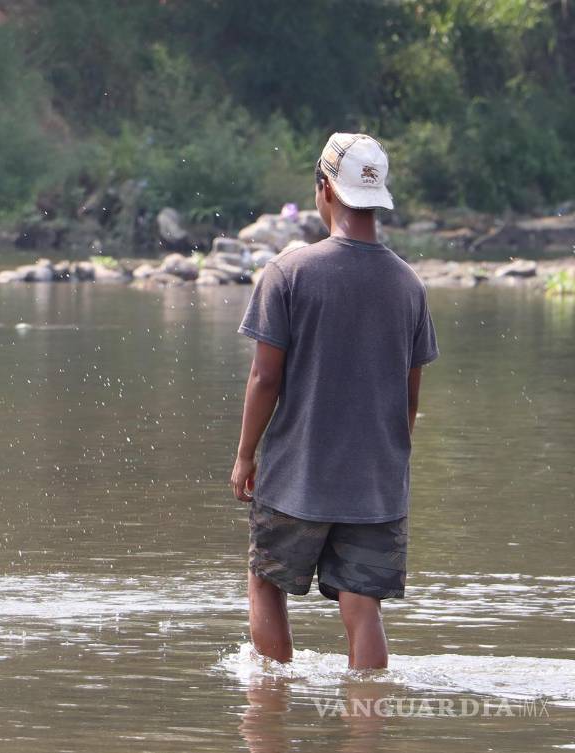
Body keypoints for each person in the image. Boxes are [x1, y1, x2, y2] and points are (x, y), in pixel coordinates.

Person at [230, 133, 438, 670]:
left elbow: (264, 378)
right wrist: (387, 462)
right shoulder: (409, 286)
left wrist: (245, 455)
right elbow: (409, 396)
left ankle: (270, 718)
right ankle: (366, 728)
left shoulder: (289, 273)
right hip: (375, 483)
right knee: (362, 606)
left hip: (296, 475)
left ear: (324, 189)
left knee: (265, 583)